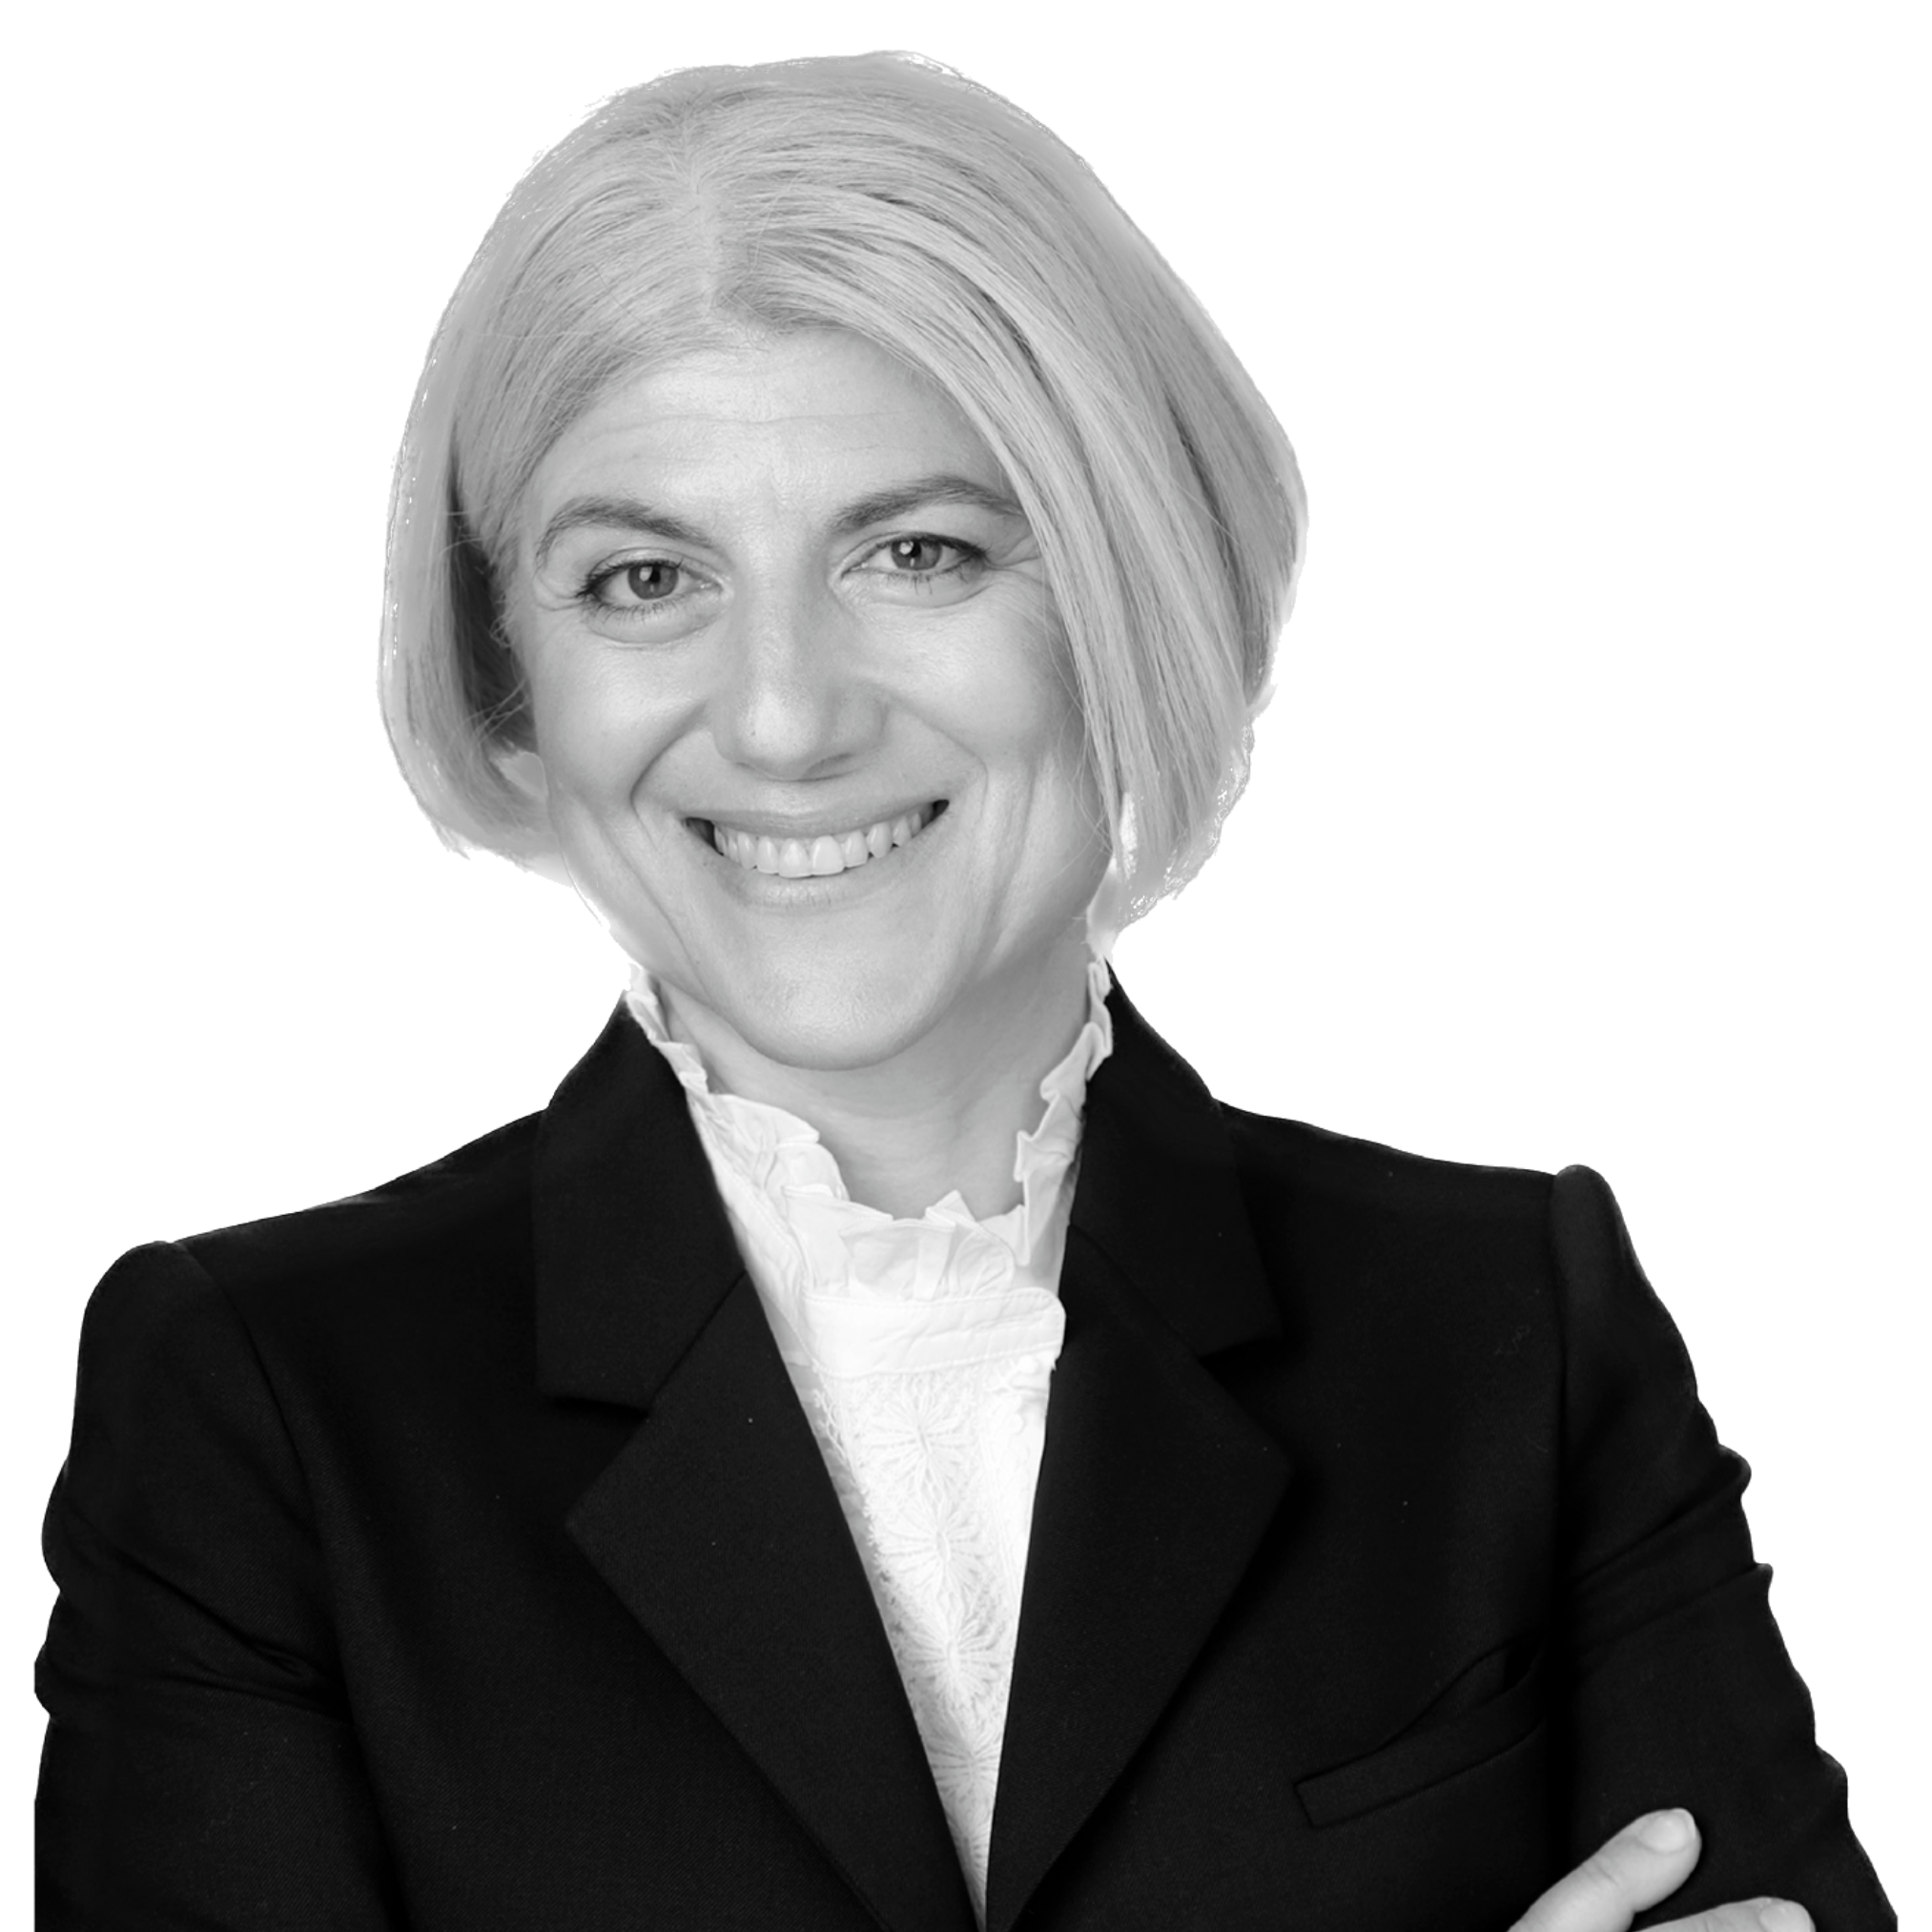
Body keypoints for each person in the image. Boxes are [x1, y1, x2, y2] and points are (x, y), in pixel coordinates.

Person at [33, 52, 1890, 1932]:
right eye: (644, 576)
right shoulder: (262, 1396)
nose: (783, 717)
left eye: (914, 551)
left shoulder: (1511, 1322)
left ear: (1131, 591)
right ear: (516, 677)